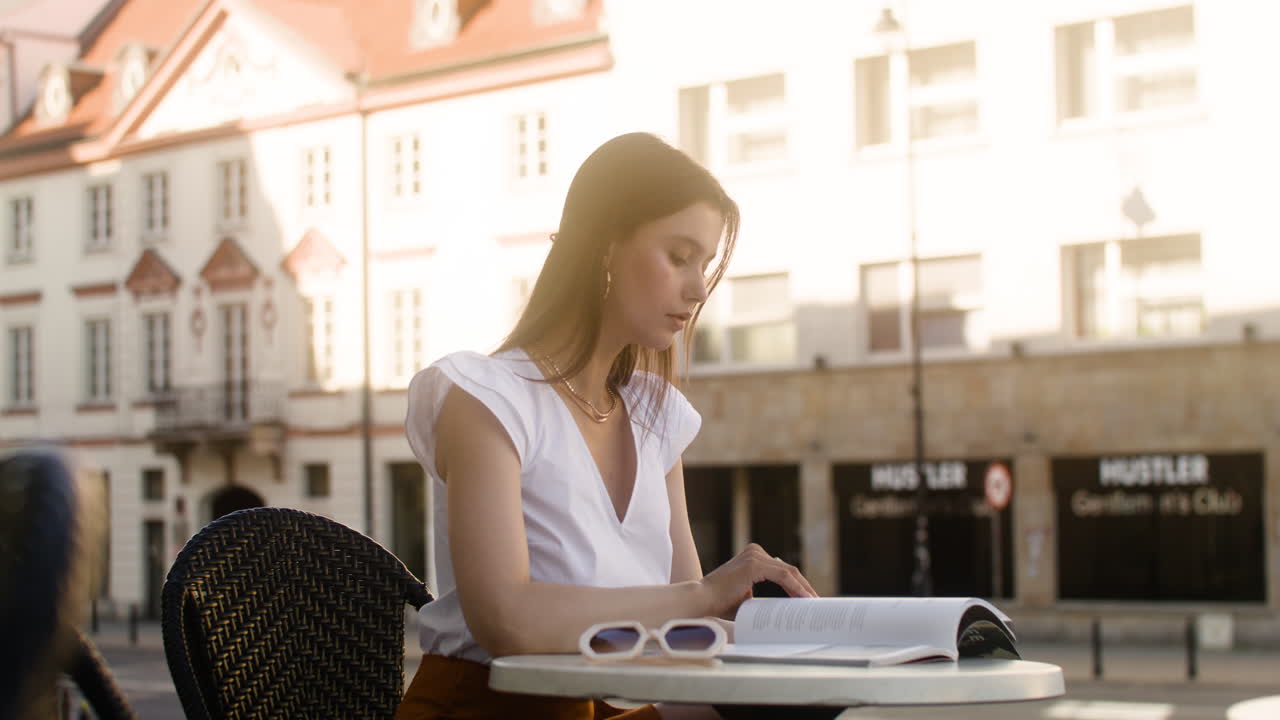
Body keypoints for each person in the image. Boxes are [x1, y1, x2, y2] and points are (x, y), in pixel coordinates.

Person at [396, 133, 825, 720]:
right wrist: (708, 594)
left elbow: (688, 629)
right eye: (678, 257)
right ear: (604, 247)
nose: (699, 290)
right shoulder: (488, 399)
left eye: (704, 265)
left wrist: (813, 648)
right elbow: (507, 620)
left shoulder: (655, 418)